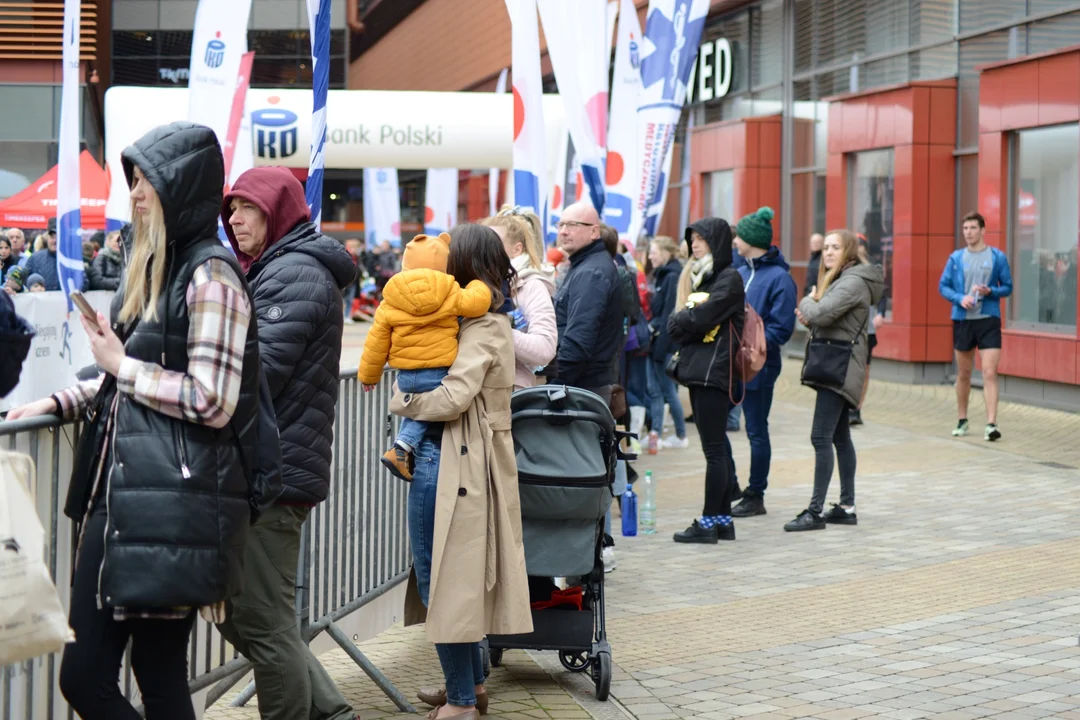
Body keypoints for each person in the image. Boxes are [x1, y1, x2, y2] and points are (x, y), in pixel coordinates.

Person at [6, 121, 267, 720]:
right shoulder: (159, 269)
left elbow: (213, 399)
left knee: (95, 678)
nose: (136, 193)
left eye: (148, 180)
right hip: (132, 498)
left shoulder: (211, 276)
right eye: (134, 180)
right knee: (148, 679)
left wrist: (121, 365)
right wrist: (59, 402)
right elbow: (124, 380)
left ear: (181, 188)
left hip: (164, 505)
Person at [220, 165, 359, 720]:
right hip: (276, 472)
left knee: (259, 621)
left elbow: (260, 371)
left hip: (275, 477)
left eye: (246, 207)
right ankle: (329, 710)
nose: (234, 219)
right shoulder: (277, 268)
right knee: (252, 616)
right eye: (230, 209)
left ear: (276, 209)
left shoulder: (292, 273)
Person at [389, 224, 532, 720]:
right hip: (465, 460)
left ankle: (462, 701)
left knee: (442, 583)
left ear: (466, 265)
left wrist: (401, 400)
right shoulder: (482, 320)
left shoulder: (485, 326)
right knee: (455, 580)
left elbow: (453, 397)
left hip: (453, 462)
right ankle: (469, 686)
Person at [359, 232, 492, 481]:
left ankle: (402, 451)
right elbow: (478, 303)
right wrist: (477, 283)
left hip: (406, 375)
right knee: (428, 413)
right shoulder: (449, 290)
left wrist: (369, 376)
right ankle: (401, 449)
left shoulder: (390, 298)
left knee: (414, 410)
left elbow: (376, 341)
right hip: (437, 369)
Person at [785, 229, 884, 532]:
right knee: (840, 437)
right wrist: (812, 311)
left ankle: (815, 512)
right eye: (825, 247)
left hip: (840, 367)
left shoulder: (852, 282)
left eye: (835, 248)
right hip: (839, 363)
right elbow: (821, 315)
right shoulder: (844, 280)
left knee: (820, 437)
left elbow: (821, 312)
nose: (828, 253)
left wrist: (808, 302)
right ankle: (846, 506)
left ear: (849, 252)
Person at [667, 218, 745, 544]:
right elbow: (689, 321)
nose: (694, 244)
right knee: (717, 449)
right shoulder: (707, 277)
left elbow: (696, 318)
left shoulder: (728, 280)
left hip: (715, 373)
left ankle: (709, 522)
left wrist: (679, 320)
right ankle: (724, 521)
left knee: (714, 451)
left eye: (701, 239)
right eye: (692, 239)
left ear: (717, 242)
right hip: (702, 371)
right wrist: (683, 321)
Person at [729, 207, 797, 519]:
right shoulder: (741, 272)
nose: (734, 242)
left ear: (752, 240)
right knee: (724, 428)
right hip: (731, 363)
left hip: (759, 366)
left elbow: (780, 329)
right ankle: (731, 486)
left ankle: (756, 494)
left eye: (739, 236)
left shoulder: (780, 278)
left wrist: (751, 349)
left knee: (756, 430)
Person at [938, 211, 1013, 442]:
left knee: (990, 372)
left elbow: (1008, 287)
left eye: (972, 228)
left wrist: (991, 291)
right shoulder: (956, 258)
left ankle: (991, 424)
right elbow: (943, 286)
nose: (968, 232)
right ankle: (962, 418)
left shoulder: (997, 257)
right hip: (963, 320)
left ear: (982, 230)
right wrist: (961, 298)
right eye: (965, 228)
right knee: (964, 372)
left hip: (988, 319)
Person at [551, 202, 622, 402]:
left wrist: (557, 384)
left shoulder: (592, 272)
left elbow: (579, 336)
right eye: (561, 224)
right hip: (582, 384)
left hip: (583, 387)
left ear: (594, 232)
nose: (563, 232)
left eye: (572, 225)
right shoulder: (584, 265)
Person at [481, 206, 557, 390]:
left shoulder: (531, 285)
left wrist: (495, 328)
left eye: (495, 243)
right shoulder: (477, 279)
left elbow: (545, 348)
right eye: (484, 242)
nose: (487, 249)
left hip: (511, 395)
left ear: (517, 249)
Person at [646, 236, 687, 453]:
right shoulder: (664, 275)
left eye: (653, 252)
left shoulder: (671, 276)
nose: (650, 256)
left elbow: (670, 313)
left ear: (665, 252)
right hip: (660, 343)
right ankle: (656, 432)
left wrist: (661, 348)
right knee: (655, 390)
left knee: (668, 390)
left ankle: (680, 435)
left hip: (665, 344)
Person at [850, 239, 886, 426]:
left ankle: (856, 409)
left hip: (868, 329)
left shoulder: (874, 269)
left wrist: (880, 313)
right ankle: (847, 406)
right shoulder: (845, 268)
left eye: (860, 244)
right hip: (849, 329)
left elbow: (882, 295)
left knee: (864, 369)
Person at [23, 219, 64, 291]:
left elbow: (83, 284)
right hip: (40, 301)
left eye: (58, 237)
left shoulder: (72, 261)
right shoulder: (35, 258)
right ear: (47, 237)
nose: (55, 241)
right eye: (52, 237)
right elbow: (23, 282)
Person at [804, 232, 823, 297]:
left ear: (822, 243)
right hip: (809, 292)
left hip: (817, 294)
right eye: (813, 242)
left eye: (817, 242)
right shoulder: (813, 256)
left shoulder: (823, 258)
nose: (815, 244)